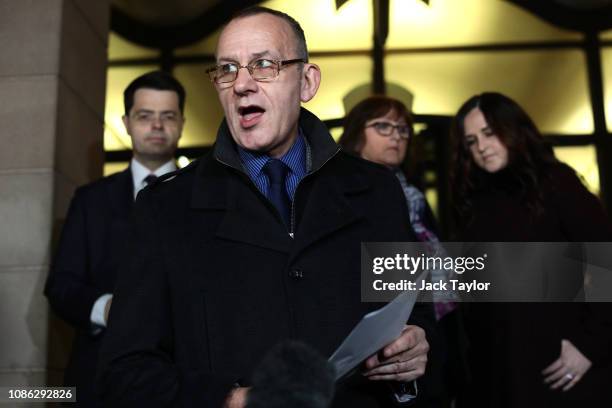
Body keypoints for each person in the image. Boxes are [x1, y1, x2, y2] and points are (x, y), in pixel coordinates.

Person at [97, 7, 434, 408]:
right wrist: (231, 400)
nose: (241, 84)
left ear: (307, 81)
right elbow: (125, 371)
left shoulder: (378, 192)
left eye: (263, 65)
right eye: (227, 69)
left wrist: (414, 346)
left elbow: (414, 313)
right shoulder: (164, 208)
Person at [450, 92, 612, 408]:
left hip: (561, 368)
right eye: (471, 141)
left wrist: (589, 346)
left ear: (512, 129)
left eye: (489, 133)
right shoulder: (472, 200)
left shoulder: (555, 181)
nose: (481, 147)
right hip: (498, 371)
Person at [44, 70, 186, 407]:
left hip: (181, 378)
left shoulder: (206, 198)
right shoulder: (90, 200)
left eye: (167, 116)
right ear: (126, 122)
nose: (156, 125)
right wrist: (106, 309)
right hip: (97, 381)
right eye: (144, 116)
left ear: (181, 122)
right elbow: (61, 286)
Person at [338, 96, 462, 407]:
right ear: (356, 133)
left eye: (403, 130)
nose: (396, 135)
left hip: (431, 331)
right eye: (383, 126)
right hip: (373, 347)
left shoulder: (416, 197)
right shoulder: (340, 195)